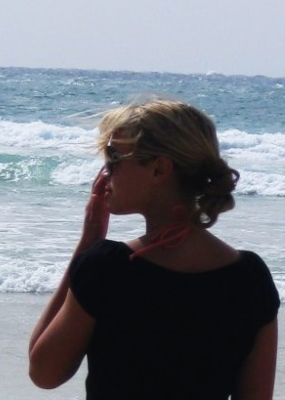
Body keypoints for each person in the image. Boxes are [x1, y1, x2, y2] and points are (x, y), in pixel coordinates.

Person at [29, 98, 280, 399]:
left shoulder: (109, 268)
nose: (106, 175)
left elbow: (43, 372)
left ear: (159, 170)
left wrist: (89, 240)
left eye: (114, 160)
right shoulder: (250, 278)